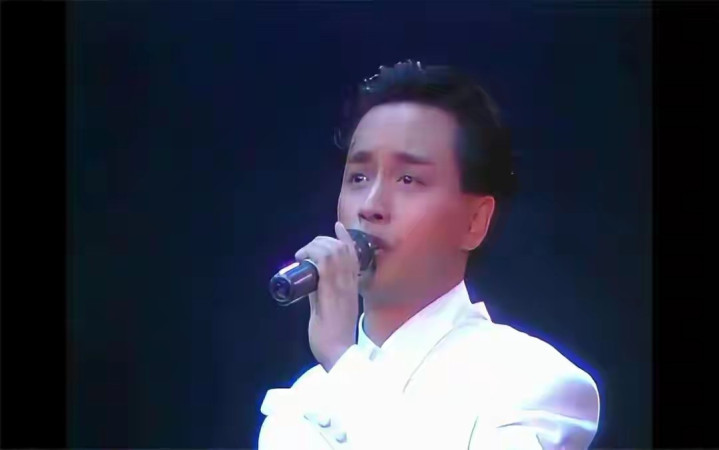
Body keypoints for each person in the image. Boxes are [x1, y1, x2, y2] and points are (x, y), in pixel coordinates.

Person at [258, 60, 600, 449]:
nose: (370, 206)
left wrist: (342, 358)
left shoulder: (533, 382)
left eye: (408, 179)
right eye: (359, 177)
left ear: (474, 221)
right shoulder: (300, 405)